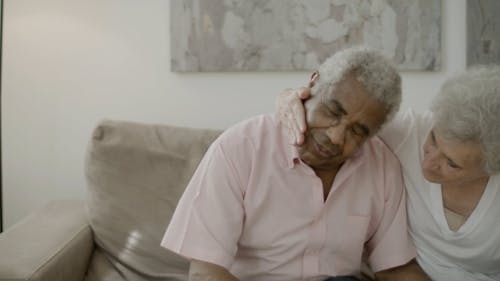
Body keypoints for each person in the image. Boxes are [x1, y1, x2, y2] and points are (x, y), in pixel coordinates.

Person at [161, 47, 418, 281]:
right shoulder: (240, 148)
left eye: (357, 131)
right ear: (313, 84)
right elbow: (206, 271)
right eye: (332, 111)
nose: (335, 137)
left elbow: (394, 269)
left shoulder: (382, 165)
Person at [276, 64, 500, 281]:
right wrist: (292, 97)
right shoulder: (407, 132)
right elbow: (339, 114)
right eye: (433, 140)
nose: (429, 161)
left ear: (491, 167)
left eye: (452, 163)